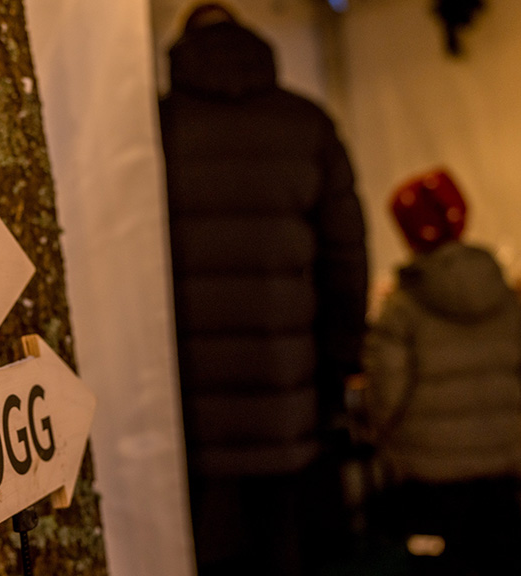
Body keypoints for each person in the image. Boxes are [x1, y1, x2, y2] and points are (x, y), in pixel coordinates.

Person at [159, 4, 368, 574]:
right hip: (289, 396)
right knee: (287, 550)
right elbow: (347, 259)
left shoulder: (154, 127)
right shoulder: (307, 124)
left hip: (188, 406)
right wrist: (339, 365)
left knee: (201, 551)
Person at [364, 168, 521, 575]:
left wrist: (383, 432)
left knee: (441, 562)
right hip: (500, 455)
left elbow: (385, 393)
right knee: (505, 555)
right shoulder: (503, 292)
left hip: (429, 470)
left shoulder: (402, 307)